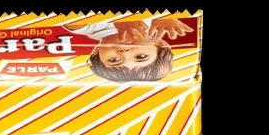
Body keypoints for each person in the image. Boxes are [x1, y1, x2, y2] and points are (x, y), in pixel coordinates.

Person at [64, 16, 194, 82]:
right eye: (140, 57)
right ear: (159, 43)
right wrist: (164, 15)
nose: (124, 53)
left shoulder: (85, 26)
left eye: (114, 60)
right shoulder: (159, 21)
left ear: (96, 53)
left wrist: (119, 17)